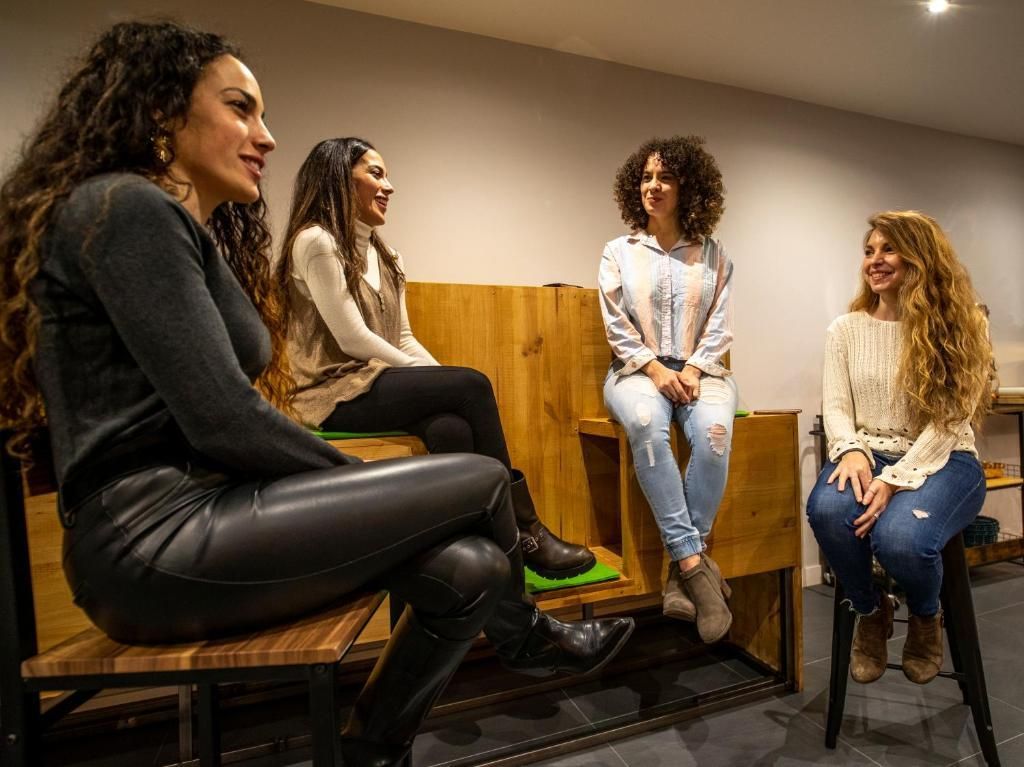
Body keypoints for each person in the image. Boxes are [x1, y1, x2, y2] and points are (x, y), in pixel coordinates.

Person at [0, 22, 632, 765]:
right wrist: (371, 487)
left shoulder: (179, 226)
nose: (265, 136)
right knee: (480, 478)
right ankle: (527, 637)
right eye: (241, 108)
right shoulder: (124, 208)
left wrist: (389, 496)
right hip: (149, 540)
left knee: (475, 568)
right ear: (160, 113)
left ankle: (371, 748)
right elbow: (224, 418)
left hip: (206, 510)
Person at [275, 136, 597, 580]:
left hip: (376, 382)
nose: (389, 186)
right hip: (330, 392)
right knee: (471, 384)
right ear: (339, 179)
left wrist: (441, 379)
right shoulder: (317, 241)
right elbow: (352, 339)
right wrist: (451, 382)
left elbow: (403, 338)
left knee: (452, 426)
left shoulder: (388, 255)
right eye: (376, 173)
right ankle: (526, 532)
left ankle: (475, 556)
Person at [806, 211, 992, 686]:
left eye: (888, 249)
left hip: (946, 460)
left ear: (919, 257)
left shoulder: (965, 325)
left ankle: (928, 617)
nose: (875, 260)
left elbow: (950, 423)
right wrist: (849, 450)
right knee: (827, 511)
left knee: (900, 538)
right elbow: (837, 405)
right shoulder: (844, 330)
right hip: (867, 452)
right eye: (869, 251)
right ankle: (872, 610)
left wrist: (895, 479)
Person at [599, 136, 738, 644]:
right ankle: (697, 568)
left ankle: (684, 570)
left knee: (717, 434)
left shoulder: (716, 254)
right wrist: (657, 371)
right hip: (635, 372)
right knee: (644, 425)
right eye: (646, 178)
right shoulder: (619, 251)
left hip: (705, 371)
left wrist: (696, 370)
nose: (653, 187)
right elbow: (616, 326)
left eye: (666, 178)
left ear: (689, 187)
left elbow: (720, 325)